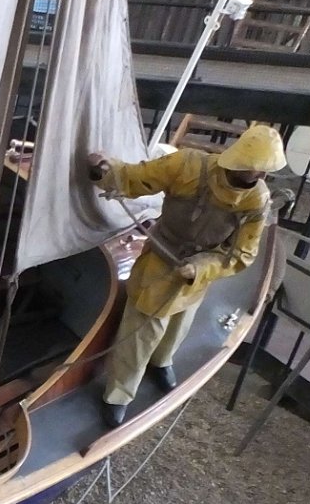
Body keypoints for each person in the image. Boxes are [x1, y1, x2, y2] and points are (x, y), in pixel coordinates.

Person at [88, 123, 285, 428]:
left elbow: (242, 254)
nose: (258, 177)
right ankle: (118, 394)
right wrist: (105, 170)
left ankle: (161, 362)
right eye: (254, 169)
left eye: (263, 172)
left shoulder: (256, 201)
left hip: (198, 272)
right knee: (142, 332)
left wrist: (202, 268)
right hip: (160, 262)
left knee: (180, 323)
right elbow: (137, 177)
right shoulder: (188, 164)